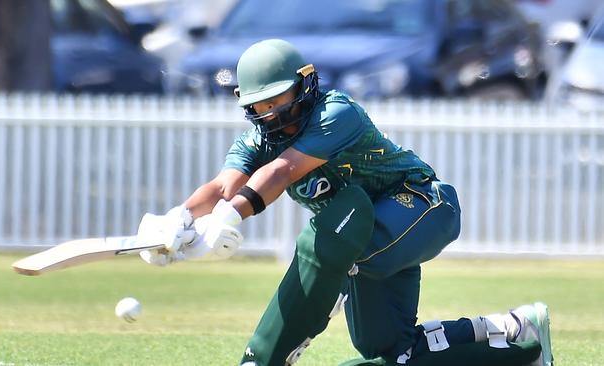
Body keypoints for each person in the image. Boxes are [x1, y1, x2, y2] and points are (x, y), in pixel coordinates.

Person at [135, 39, 553, 366]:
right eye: (259, 106)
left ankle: (275, 347)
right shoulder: (256, 139)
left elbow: (281, 172)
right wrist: (182, 218)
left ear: (305, 83)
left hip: (423, 205)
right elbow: (225, 184)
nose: (271, 114)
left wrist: (228, 217)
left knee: (332, 252)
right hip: (359, 231)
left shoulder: (335, 112)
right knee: (388, 351)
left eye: (278, 100)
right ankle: (517, 334)